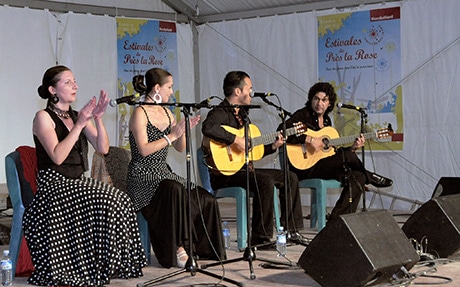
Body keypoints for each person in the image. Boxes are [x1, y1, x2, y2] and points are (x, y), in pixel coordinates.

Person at [23, 65, 147, 287]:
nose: (75, 86)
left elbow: (104, 148)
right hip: (54, 183)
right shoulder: (43, 117)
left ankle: (115, 263)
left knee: (121, 198)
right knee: (107, 198)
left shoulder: (78, 116)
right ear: (53, 90)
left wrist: (97, 119)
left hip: (77, 181)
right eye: (68, 82)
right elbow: (58, 157)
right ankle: (95, 265)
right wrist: (79, 126)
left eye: (75, 81)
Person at [126, 68, 226, 269]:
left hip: (163, 172)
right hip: (143, 177)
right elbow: (144, 150)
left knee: (204, 198)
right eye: (169, 87)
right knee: (174, 190)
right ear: (156, 88)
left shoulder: (166, 111)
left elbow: (180, 148)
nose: (172, 92)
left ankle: (203, 249)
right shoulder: (140, 113)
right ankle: (177, 248)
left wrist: (183, 132)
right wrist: (171, 136)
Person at [201, 70, 307, 248]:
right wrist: (235, 139)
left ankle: (291, 230)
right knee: (265, 181)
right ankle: (260, 239)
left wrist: (273, 146)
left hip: (244, 169)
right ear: (237, 91)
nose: (251, 92)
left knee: (290, 177)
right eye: (249, 88)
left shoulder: (242, 115)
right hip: (225, 174)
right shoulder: (220, 112)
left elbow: (251, 151)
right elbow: (208, 128)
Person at [280, 81, 393, 221]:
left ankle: (337, 220)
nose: (319, 103)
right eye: (316, 98)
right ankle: (371, 176)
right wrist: (309, 139)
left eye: (324, 100)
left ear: (329, 103)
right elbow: (282, 130)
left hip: (323, 166)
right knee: (348, 157)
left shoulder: (327, 121)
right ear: (311, 100)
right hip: (303, 168)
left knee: (358, 176)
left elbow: (332, 151)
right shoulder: (303, 115)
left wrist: (353, 148)